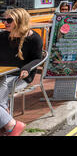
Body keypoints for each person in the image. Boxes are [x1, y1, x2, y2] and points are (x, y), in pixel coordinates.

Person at [0, 8, 43, 136]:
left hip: (20, 77)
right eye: (3, 20)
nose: (5, 23)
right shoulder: (3, 36)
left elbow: (37, 59)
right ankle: (9, 124)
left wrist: (26, 68)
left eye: (9, 20)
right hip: (3, 74)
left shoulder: (34, 38)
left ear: (19, 21)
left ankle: (11, 125)